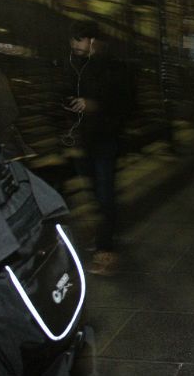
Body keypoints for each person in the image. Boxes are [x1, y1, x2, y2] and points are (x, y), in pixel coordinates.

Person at [62, 20, 133, 276]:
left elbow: (123, 103)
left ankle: (105, 250)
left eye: (79, 43)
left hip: (105, 139)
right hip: (83, 140)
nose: (75, 48)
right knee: (95, 193)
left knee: (104, 194)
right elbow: (64, 92)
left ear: (93, 41)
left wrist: (93, 105)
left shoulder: (112, 67)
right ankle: (107, 232)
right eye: (73, 44)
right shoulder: (74, 64)